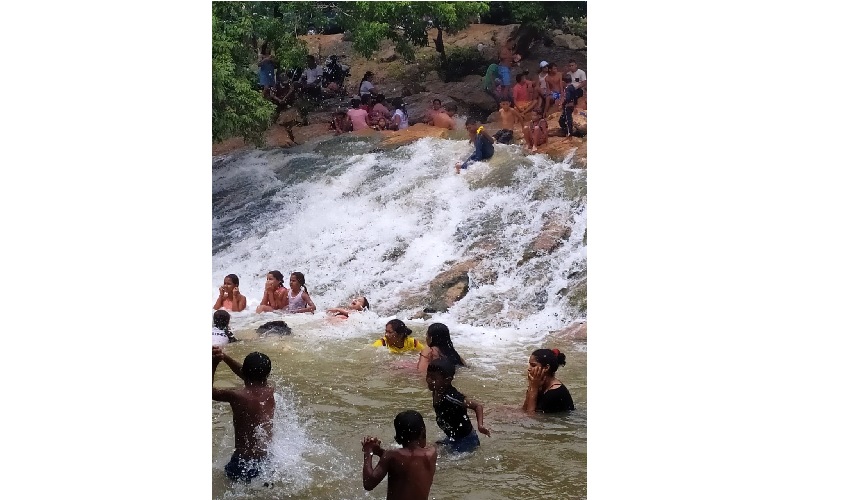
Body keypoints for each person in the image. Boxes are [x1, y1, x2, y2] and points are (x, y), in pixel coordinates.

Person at [212, 347, 275, 482]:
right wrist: (225, 357)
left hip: (242, 461)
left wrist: (214, 362)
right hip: (266, 460)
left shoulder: (236, 395)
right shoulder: (271, 390)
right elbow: (248, 376)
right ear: (267, 375)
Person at [361, 410, 437, 500]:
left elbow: (368, 483)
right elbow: (405, 464)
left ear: (397, 439)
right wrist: (380, 452)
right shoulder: (432, 453)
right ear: (423, 432)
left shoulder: (391, 456)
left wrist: (368, 451)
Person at [426, 359, 491, 453]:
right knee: (429, 449)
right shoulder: (436, 390)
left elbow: (477, 406)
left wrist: (480, 426)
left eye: (433, 378)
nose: (428, 380)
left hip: (466, 441)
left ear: (447, 381)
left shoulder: (452, 397)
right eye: (428, 376)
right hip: (452, 438)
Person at [523, 348, 575, 414]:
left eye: (533, 365)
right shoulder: (539, 384)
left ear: (546, 368)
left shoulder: (554, 393)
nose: (529, 369)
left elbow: (531, 418)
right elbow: (524, 409)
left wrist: (533, 388)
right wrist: (531, 385)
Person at [559, 60, 587, 136]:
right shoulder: (568, 74)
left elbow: (584, 82)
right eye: (570, 66)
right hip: (570, 90)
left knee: (571, 90)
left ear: (576, 65)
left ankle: (571, 103)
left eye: (572, 65)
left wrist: (576, 87)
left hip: (578, 89)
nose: (571, 67)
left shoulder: (581, 72)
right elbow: (563, 79)